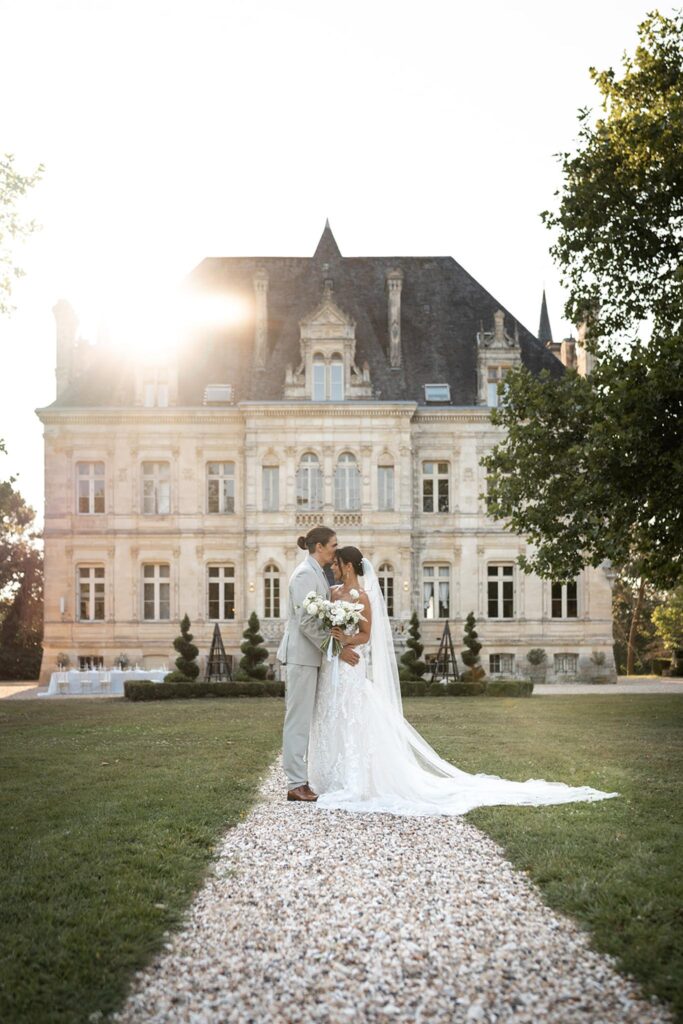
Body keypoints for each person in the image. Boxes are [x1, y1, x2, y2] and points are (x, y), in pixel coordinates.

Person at [307, 546, 619, 816]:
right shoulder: (332, 593)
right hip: (335, 664)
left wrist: (344, 642)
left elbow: (365, 634)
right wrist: (334, 640)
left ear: (346, 566)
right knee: (333, 715)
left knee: (355, 718)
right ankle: (334, 775)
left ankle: (356, 778)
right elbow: (325, 628)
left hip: (351, 664)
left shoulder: (362, 596)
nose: (332, 568)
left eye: (335, 564)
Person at [276, 527, 359, 802]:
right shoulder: (303, 575)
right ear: (320, 547)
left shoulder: (317, 574)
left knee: (308, 720)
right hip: (301, 657)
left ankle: (304, 778)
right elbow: (307, 621)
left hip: (312, 658)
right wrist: (336, 649)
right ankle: (295, 783)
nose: (336, 549)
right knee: (297, 720)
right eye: (333, 545)